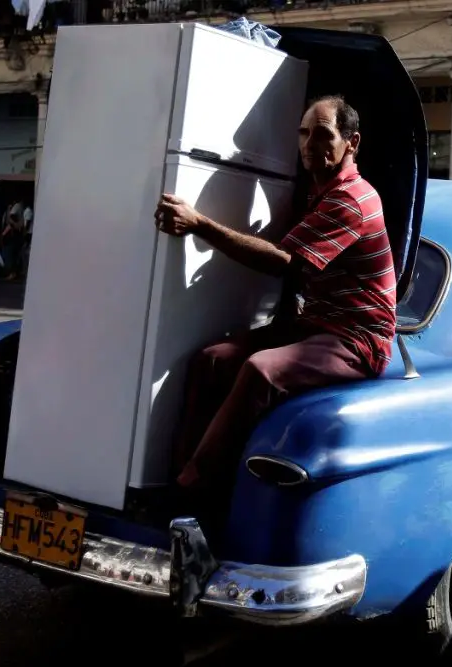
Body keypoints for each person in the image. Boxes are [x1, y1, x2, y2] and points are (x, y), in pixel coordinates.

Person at [154, 94, 396, 517]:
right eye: (303, 132)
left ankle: (188, 494)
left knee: (259, 370)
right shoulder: (319, 191)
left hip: (357, 340)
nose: (308, 143)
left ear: (351, 143)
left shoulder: (351, 199)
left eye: (322, 134)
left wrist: (200, 223)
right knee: (212, 360)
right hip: (317, 324)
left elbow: (285, 262)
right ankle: (178, 478)